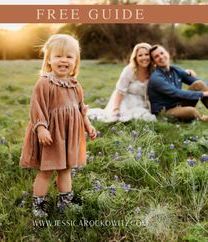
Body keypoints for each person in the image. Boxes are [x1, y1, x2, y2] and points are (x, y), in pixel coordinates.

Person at [20, 34, 96, 217]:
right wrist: (41, 128)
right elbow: (37, 108)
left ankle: (65, 201)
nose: (64, 60)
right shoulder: (44, 83)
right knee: (46, 171)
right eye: (58, 56)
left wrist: (88, 125)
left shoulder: (75, 85)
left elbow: (80, 109)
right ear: (49, 60)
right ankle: (38, 203)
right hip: (51, 136)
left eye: (69, 56)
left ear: (76, 62)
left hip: (69, 136)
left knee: (65, 170)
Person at [88, 43, 156, 123]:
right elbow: (120, 91)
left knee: (144, 118)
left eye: (146, 54)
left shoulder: (154, 71)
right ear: (135, 58)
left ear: (151, 56)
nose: (144, 57)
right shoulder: (129, 70)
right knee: (117, 118)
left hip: (141, 102)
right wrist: (116, 108)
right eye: (140, 55)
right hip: (124, 100)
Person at [148, 44, 208, 121]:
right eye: (156, 56)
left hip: (179, 105)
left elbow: (197, 81)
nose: (161, 57)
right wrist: (203, 94)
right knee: (191, 111)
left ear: (167, 53)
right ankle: (202, 119)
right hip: (165, 111)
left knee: (198, 84)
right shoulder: (156, 78)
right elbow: (177, 93)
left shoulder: (175, 70)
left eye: (162, 53)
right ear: (153, 62)